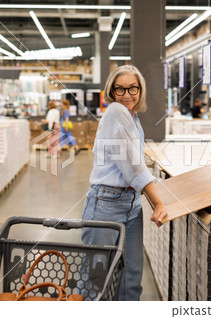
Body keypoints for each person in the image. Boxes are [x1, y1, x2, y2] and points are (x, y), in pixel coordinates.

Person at [81, 65, 167, 301]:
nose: (127, 94)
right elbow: (132, 165)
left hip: (131, 203)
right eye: (120, 89)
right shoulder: (115, 112)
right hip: (105, 204)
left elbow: (136, 161)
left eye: (133, 88)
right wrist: (158, 202)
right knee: (95, 281)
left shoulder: (132, 117)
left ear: (140, 90)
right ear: (112, 91)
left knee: (130, 281)